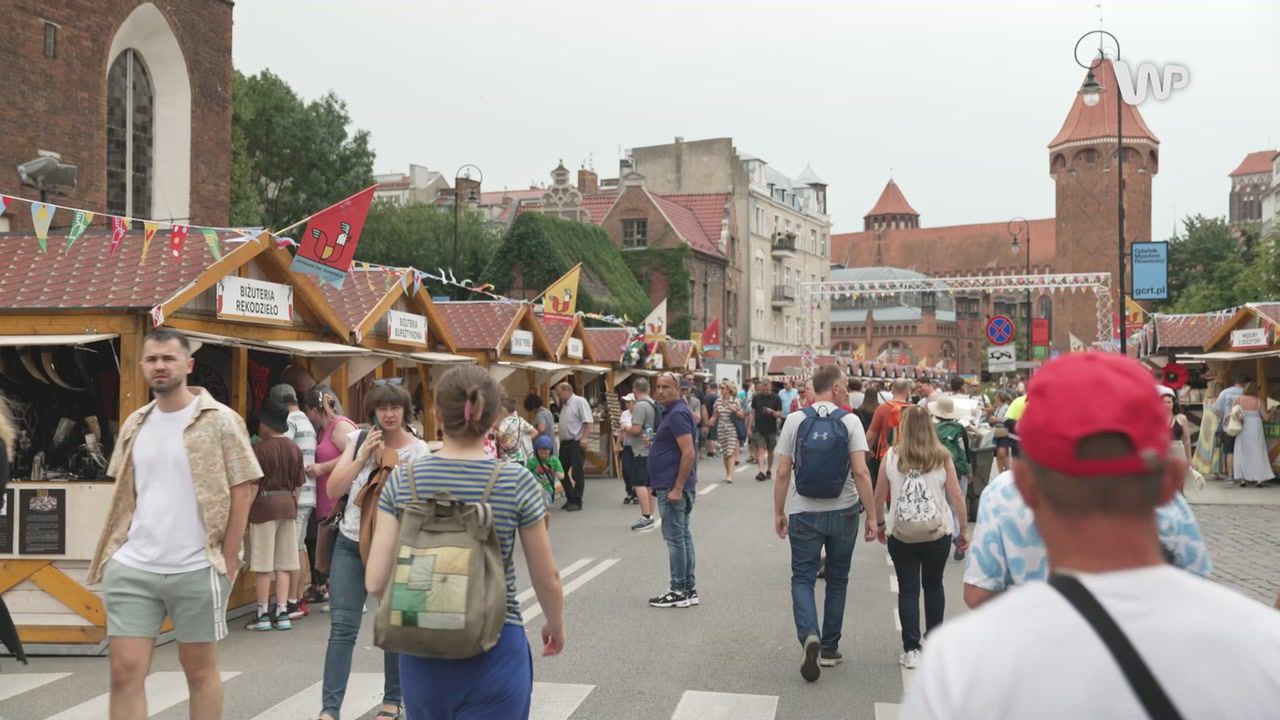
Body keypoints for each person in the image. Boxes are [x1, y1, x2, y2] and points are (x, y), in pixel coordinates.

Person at [903, 352, 1280, 719]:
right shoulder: (1264, 648)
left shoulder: (961, 666)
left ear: (1027, 489)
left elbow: (977, 593)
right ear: (1171, 481)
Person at [366, 365, 565, 719]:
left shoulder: (403, 481)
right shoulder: (515, 481)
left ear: (436, 413)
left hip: (422, 649)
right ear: (494, 419)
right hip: (496, 642)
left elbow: (376, 580)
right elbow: (546, 577)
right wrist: (554, 625)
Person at [89, 329, 261, 720]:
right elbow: (126, 492)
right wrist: (115, 553)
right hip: (134, 565)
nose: (160, 366)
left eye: (168, 358)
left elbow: (244, 487)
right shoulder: (136, 422)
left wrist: (229, 558)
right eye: (152, 359)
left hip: (196, 565)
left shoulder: (220, 420)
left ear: (188, 364)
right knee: (123, 671)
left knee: (198, 671)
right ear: (143, 367)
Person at [318, 382, 430, 720]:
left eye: (395, 407)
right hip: (350, 543)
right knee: (342, 629)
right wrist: (364, 454)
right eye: (382, 408)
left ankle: (392, 701)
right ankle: (329, 709)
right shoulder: (357, 440)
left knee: (395, 625)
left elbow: (419, 505)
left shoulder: (419, 451)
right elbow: (334, 487)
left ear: (405, 411)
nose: (389, 414)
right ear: (373, 412)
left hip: (397, 547)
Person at [773, 366, 878, 682]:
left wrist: (780, 511)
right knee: (837, 578)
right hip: (844, 510)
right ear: (834, 388)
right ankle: (830, 648)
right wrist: (872, 515)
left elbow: (782, 472)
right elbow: (861, 472)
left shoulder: (795, 420)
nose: (846, 390)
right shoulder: (850, 421)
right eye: (844, 385)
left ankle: (809, 635)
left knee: (802, 578)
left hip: (804, 510)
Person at [874, 406, 967, 669]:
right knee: (934, 586)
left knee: (908, 590)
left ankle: (911, 649)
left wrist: (879, 523)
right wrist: (964, 529)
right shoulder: (941, 457)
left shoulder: (891, 456)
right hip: (937, 534)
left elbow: (880, 495)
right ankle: (935, 645)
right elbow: (957, 495)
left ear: (903, 427)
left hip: (901, 534)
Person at [247, 399, 305, 632]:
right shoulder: (294, 449)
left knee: (263, 564)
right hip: (288, 507)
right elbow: (299, 487)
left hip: (264, 506)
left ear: (267, 425)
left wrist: (244, 514)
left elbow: (252, 487)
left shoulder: (259, 450)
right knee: (284, 563)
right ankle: (282, 611)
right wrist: (292, 504)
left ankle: (262, 613)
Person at [302, 385, 358, 606]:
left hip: (341, 500)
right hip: (328, 500)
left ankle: (351, 598)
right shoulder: (325, 430)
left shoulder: (339, 427)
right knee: (335, 550)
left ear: (314, 411)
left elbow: (352, 455)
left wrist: (322, 468)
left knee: (342, 550)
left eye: (308, 411)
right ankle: (340, 596)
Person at [647, 372, 700, 608]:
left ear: (678, 389)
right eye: (658, 386)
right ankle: (688, 589)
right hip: (671, 483)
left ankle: (678, 589)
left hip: (673, 486)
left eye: (666, 387)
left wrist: (677, 487)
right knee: (683, 537)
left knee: (675, 539)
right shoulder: (673, 411)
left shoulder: (677, 413)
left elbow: (688, 452)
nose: (660, 391)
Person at [271, 383, 317, 621]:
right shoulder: (307, 422)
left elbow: (281, 448)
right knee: (299, 547)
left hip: (296, 495)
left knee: (291, 549)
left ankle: (291, 601)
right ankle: (298, 598)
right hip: (309, 494)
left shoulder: (290, 421)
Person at [626, 380, 660, 531]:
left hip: (641, 449)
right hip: (653, 448)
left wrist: (625, 427)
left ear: (634, 389)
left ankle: (646, 516)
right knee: (651, 485)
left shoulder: (640, 405)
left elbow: (636, 429)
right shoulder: (653, 403)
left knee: (640, 483)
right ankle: (651, 514)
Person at [555, 382, 593, 511]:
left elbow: (588, 421)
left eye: (560, 393)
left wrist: (584, 438)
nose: (559, 396)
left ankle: (577, 500)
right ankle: (570, 497)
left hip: (576, 442)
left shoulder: (579, 401)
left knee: (577, 473)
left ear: (567, 390)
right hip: (565, 443)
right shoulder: (565, 405)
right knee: (561, 471)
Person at [1230, 381, 1273, 488]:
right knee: (1257, 452)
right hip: (1255, 426)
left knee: (1242, 451)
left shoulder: (1238, 399)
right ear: (1256, 390)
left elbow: (1232, 412)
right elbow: (1266, 417)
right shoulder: (1259, 401)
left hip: (1243, 426)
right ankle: (1259, 479)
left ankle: (1243, 479)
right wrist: (1272, 410)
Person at [867, 379, 913, 462]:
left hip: (887, 454)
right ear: (908, 391)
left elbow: (871, 436)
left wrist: (866, 452)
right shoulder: (914, 410)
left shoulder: (882, 408)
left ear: (892, 389)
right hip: (908, 455)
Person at [1214, 375, 1249, 481]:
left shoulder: (1224, 392)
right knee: (1243, 450)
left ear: (1235, 382)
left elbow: (1217, 409)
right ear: (1246, 384)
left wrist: (1225, 417)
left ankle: (1230, 475)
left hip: (1228, 426)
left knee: (1229, 451)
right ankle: (1243, 475)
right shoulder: (1246, 394)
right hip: (1244, 426)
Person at [750, 380, 784, 482]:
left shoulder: (776, 398)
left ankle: (769, 470)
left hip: (771, 428)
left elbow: (780, 414)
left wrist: (772, 411)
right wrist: (749, 426)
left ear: (770, 387)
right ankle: (761, 471)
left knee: (770, 451)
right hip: (759, 428)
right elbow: (753, 412)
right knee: (760, 449)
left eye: (766, 386)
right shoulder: (756, 398)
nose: (764, 389)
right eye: (763, 387)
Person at [527, 436, 564, 526]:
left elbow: (562, 475)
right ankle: (539, 530)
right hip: (535, 490)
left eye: (546, 450)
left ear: (550, 450)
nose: (543, 453)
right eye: (541, 451)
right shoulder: (533, 461)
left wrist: (558, 473)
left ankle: (545, 530)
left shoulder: (554, 460)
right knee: (537, 513)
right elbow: (525, 472)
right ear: (536, 450)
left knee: (546, 513)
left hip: (547, 490)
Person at [713, 381, 746, 483]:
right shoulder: (718, 401)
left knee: (731, 451)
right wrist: (709, 423)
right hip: (721, 428)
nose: (721, 390)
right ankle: (727, 473)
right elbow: (715, 416)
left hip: (732, 428)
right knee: (725, 452)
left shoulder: (735, 401)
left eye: (723, 388)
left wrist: (734, 410)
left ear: (728, 390)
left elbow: (742, 415)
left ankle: (730, 475)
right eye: (720, 388)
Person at [496, 396, 538, 466]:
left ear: (504, 410)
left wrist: (501, 443)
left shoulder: (505, 421)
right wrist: (523, 440)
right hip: (521, 456)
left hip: (507, 458)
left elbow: (499, 434)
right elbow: (535, 432)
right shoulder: (521, 420)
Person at [1159, 386, 1193, 464]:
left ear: (1174, 403)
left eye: (1169, 402)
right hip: (1163, 450)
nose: (1166, 405)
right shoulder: (1157, 419)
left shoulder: (1181, 418)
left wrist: (1189, 458)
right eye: (1164, 402)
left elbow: (1187, 440)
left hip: (1178, 449)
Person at [616, 393, 638, 505]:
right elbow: (622, 429)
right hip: (627, 445)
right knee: (626, 470)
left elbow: (635, 429)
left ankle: (636, 493)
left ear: (634, 402)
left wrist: (628, 428)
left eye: (629, 402)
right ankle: (629, 491)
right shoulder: (625, 414)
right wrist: (618, 443)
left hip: (637, 446)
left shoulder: (639, 413)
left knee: (636, 470)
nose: (627, 404)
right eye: (626, 402)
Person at [988, 390, 1013, 474]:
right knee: (998, 454)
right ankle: (1000, 472)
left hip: (1004, 431)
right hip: (997, 432)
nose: (995, 399)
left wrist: (995, 419)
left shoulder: (1006, 407)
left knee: (1002, 452)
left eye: (997, 397)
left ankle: (1008, 470)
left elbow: (1007, 419)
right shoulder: (998, 408)